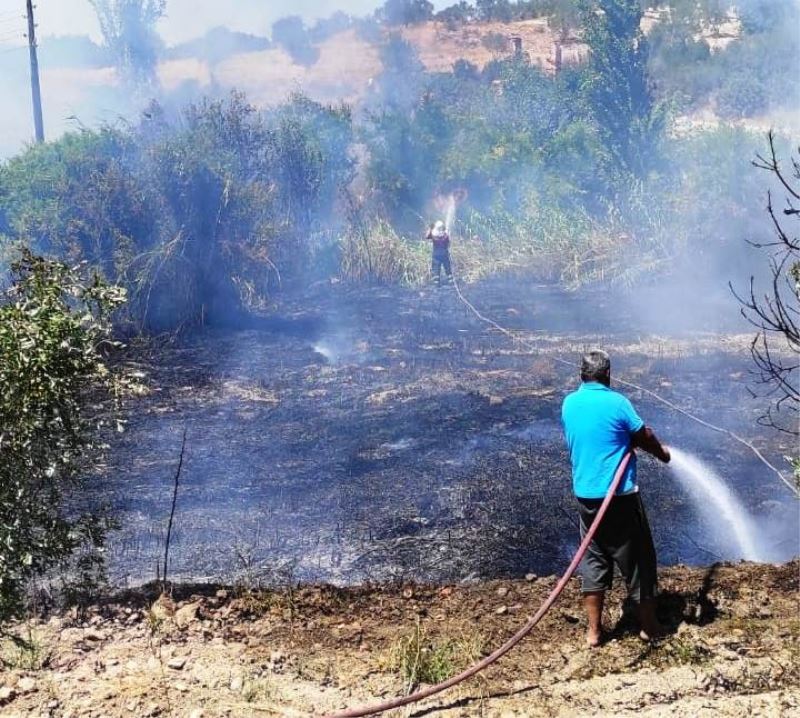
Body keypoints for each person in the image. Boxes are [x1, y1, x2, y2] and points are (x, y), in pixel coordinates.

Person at [561, 349, 671, 647]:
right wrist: (663, 455)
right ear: (608, 375)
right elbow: (643, 434)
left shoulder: (569, 403)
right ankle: (650, 627)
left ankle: (594, 632)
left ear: (581, 375)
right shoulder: (617, 403)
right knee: (638, 562)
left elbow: (598, 435)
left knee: (594, 558)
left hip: (586, 498)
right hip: (619, 498)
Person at [426, 220, 452, 285]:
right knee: (447, 267)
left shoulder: (434, 236)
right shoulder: (445, 236)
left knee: (436, 268)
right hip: (444, 254)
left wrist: (430, 228)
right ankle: (450, 280)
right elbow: (449, 244)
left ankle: (436, 282)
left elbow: (427, 236)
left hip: (436, 255)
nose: (441, 231)